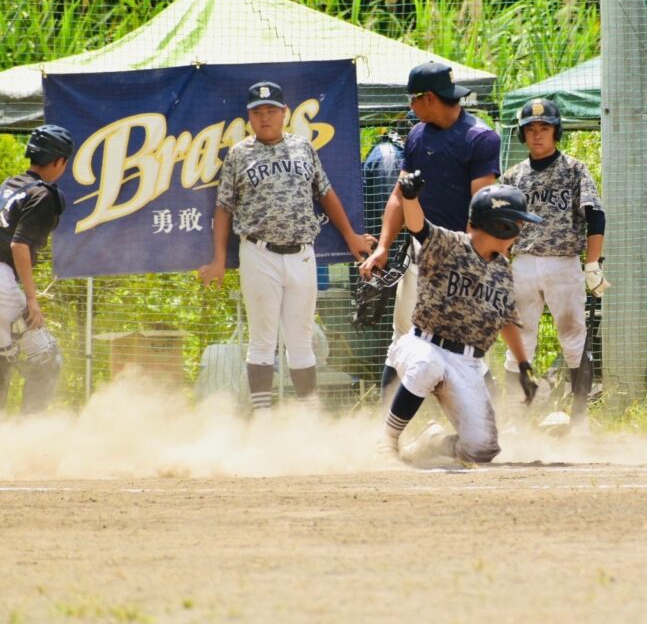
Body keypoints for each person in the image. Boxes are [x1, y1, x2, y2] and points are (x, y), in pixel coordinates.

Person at [199, 81, 374, 415]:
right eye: (257, 112)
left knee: (301, 340)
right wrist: (219, 259)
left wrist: (351, 236)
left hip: (302, 254)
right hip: (259, 253)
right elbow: (223, 208)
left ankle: (306, 417)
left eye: (271, 111)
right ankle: (263, 417)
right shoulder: (239, 154)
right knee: (262, 340)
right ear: (249, 116)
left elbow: (325, 192)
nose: (265, 118)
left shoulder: (302, 147)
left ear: (284, 113)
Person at [359, 62, 501, 406]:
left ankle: (496, 421)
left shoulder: (480, 137)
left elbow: (482, 208)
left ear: (430, 99)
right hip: (420, 254)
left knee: (462, 345)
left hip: (462, 258)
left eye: (413, 99)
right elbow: (399, 194)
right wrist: (384, 248)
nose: (410, 106)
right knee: (404, 338)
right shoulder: (418, 135)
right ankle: (386, 426)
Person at [376, 177, 540, 464]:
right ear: (501, 225)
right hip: (422, 345)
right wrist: (411, 198)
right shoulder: (451, 245)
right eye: (517, 225)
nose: (519, 233)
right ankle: (387, 440)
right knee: (428, 365)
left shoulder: (502, 270)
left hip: (467, 364)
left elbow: (507, 320)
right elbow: (419, 228)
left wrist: (524, 365)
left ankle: (431, 443)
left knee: (482, 449)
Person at [497, 98, 608, 431]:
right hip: (524, 262)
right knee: (519, 338)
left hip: (564, 262)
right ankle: (515, 418)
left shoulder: (575, 169)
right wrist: (501, 264)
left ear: (556, 131)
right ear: (522, 135)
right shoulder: (513, 176)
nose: (537, 136)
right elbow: (499, 223)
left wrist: (592, 264)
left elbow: (595, 215)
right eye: (530, 130)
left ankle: (580, 420)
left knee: (573, 338)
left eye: (544, 128)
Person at [0, 125, 73, 413]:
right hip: (1, 280)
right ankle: (31, 435)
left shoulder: (10, 184)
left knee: (4, 359)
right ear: (59, 162)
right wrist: (31, 298)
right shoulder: (44, 195)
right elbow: (19, 247)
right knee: (46, 357)